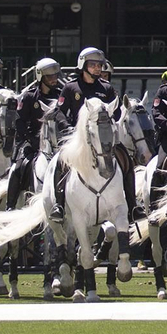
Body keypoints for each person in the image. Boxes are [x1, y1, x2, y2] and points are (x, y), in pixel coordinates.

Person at [57, 47, 139, 221]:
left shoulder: (107, 88)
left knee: (126, 159)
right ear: (83, 65)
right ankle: (58, 204)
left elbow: (117, 113)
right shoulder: (70, 88)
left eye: (99, 65)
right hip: (78, 138)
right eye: (93, 65)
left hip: (104, 138)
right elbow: (59, 112)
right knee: (60, 161)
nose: (97, 68)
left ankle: (133, 205)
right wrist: (67, 128)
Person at [6, 57, 62, 212]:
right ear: (40, 77)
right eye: (49, 76)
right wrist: (32, 140)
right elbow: (19, 122)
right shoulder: (29, 96)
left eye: (55, 76)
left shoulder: (60, 96)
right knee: (19, 167)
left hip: (56, 141)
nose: (54, 79)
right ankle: (10, 204)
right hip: (30, 141)